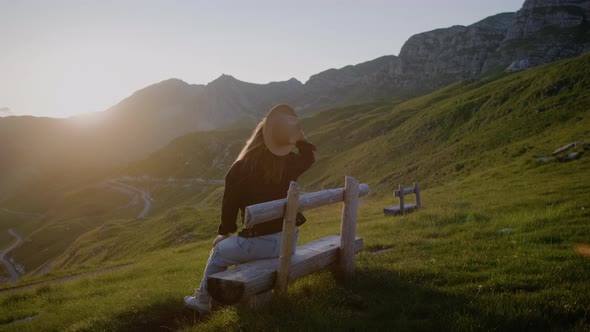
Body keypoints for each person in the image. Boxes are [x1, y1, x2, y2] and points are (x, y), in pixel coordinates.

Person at [184, 104, 316, 313]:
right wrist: (299, 138)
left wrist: (224, 233)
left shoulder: (241, 168)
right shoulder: (290, 162)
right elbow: (309, 157)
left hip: (259, 244)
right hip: (287, 243)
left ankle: (202, 300)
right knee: (238, 248)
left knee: (219, 251)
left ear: (258, 135)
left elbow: (229, 208)